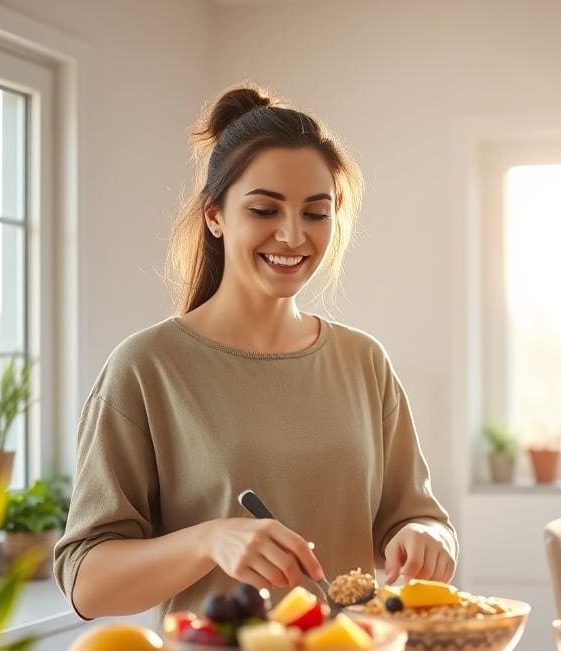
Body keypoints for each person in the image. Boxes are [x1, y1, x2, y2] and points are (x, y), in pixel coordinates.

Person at [54, 85, 458, 623]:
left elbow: (416, 517)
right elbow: (87, 583)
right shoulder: (147, 368)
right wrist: (209, 541)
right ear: (215, 216)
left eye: (316, 213)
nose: (293, 235)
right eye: (266, 209)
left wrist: (425, 536)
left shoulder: (364, 363)